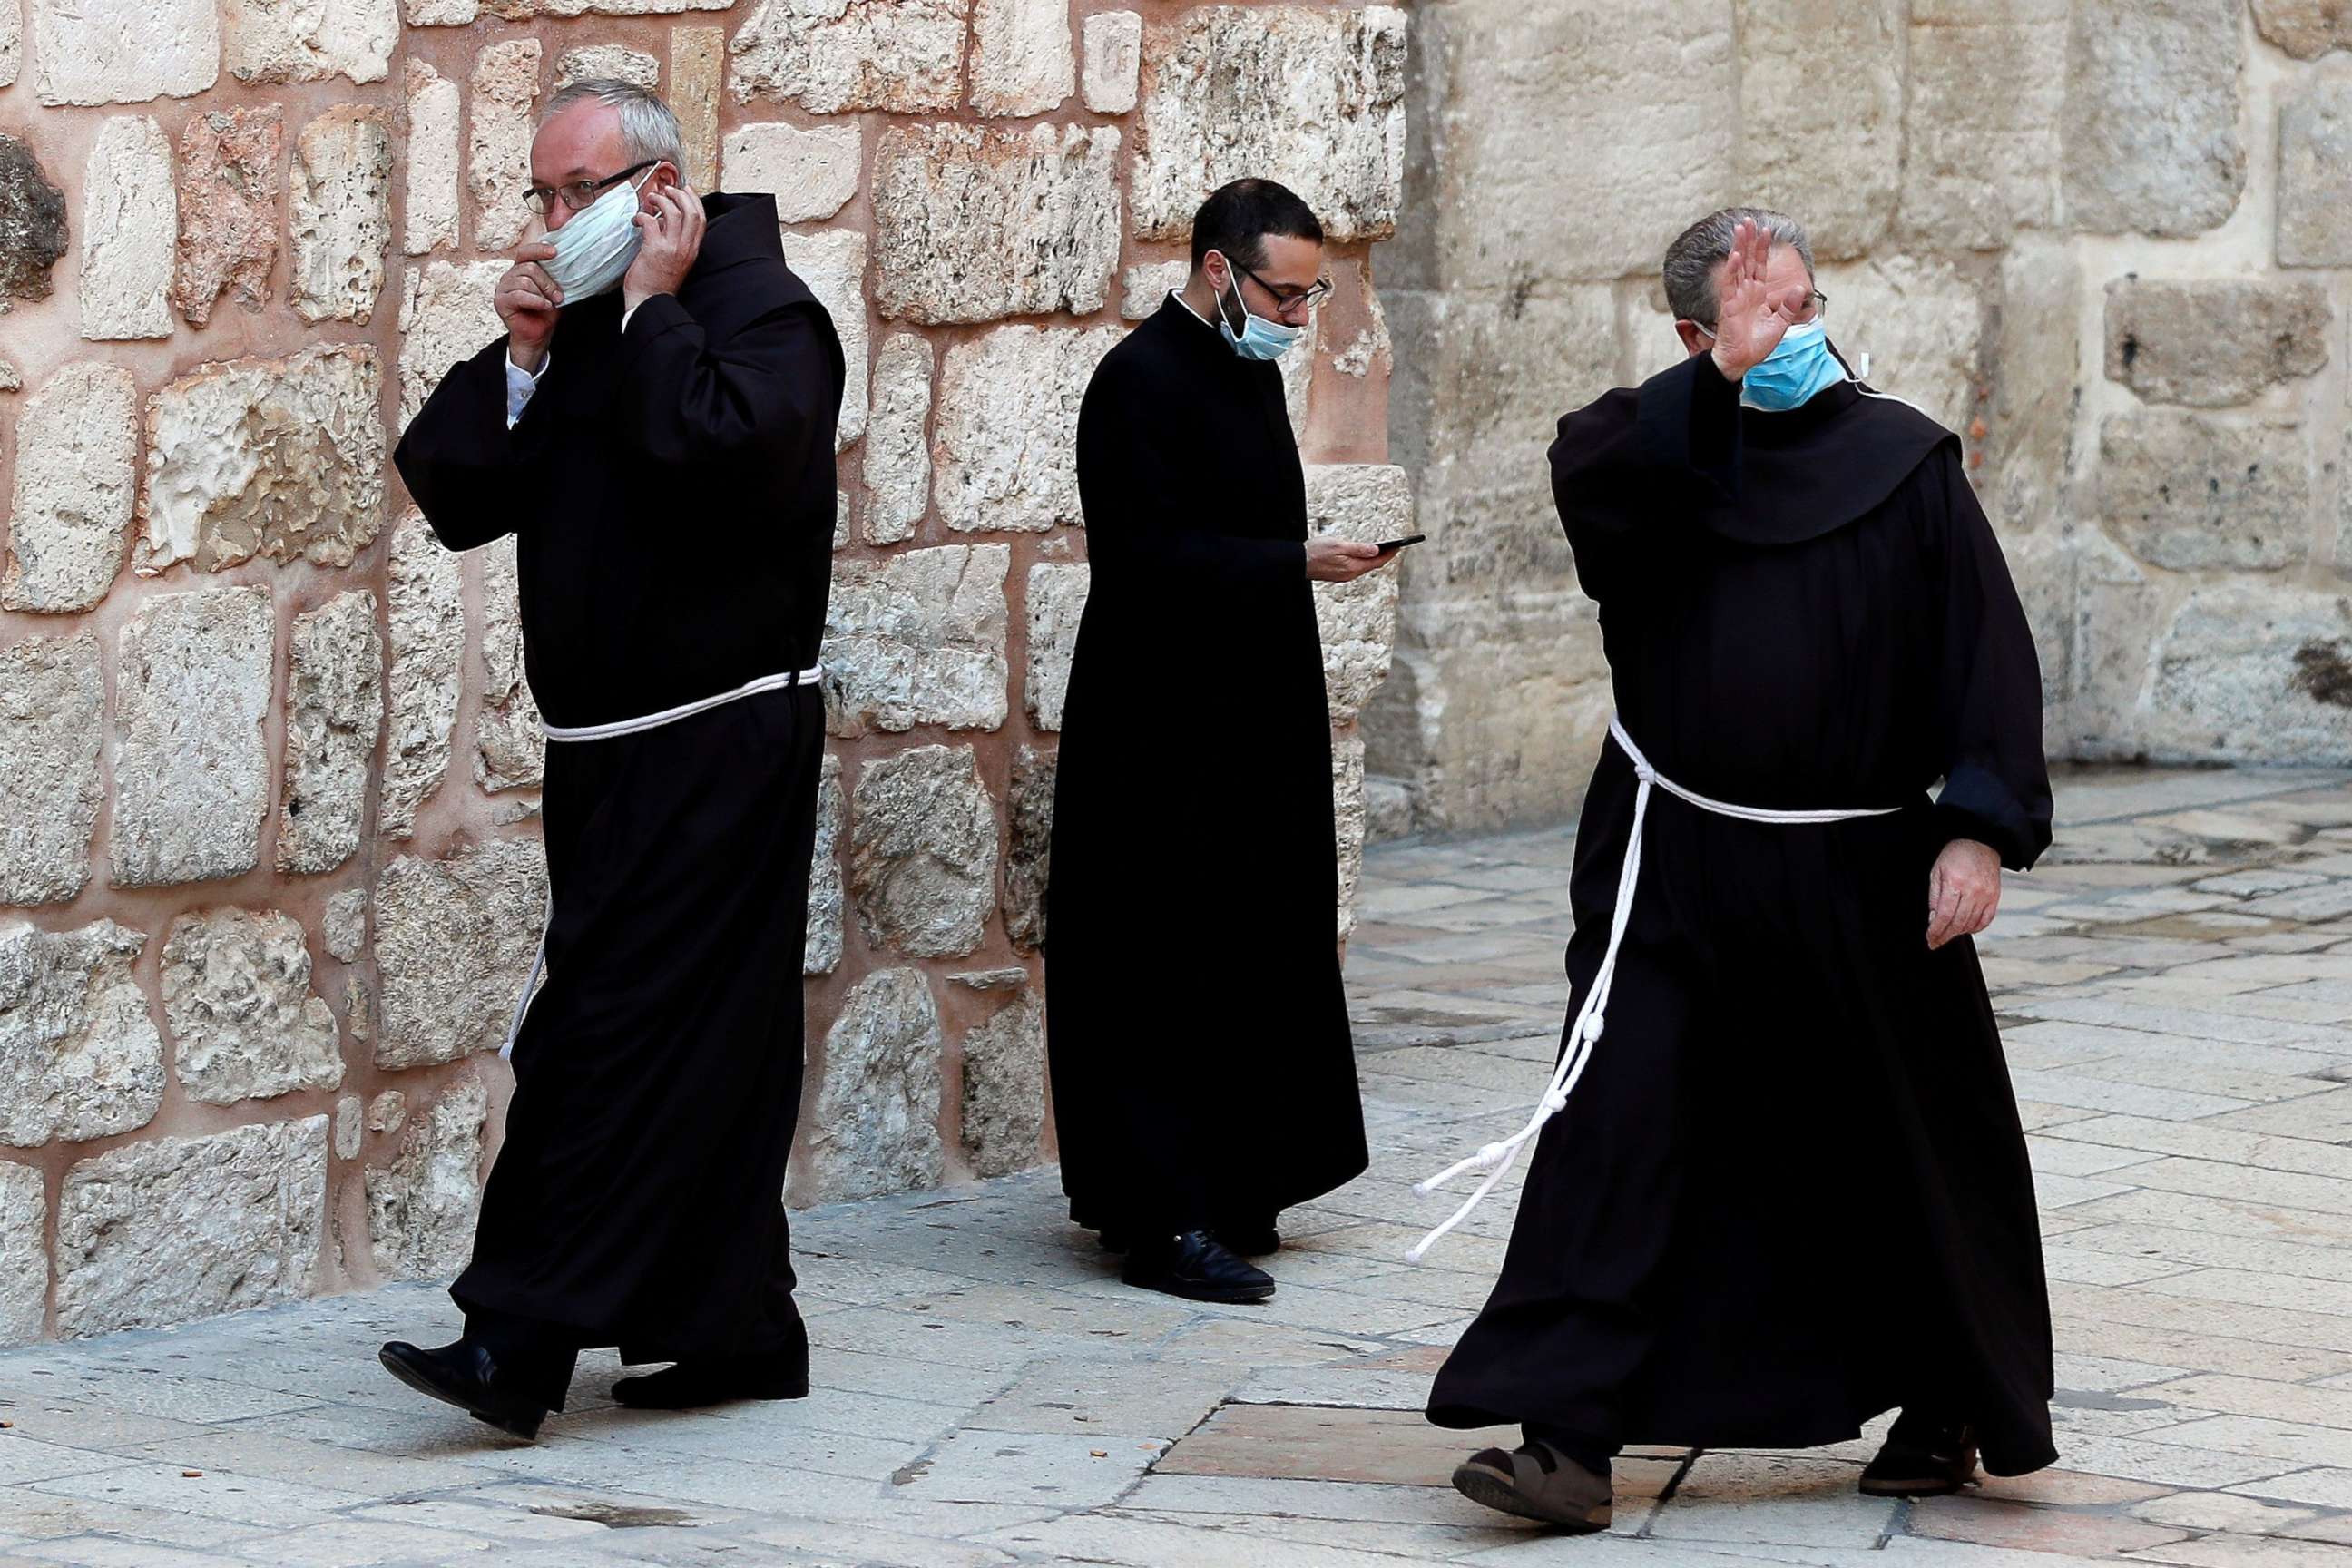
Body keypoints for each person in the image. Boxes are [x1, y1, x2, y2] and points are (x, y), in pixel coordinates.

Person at [1421, 209, 2056, 1531]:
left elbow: (1982, 648)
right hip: (1674, 858)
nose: (1795, 335)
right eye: (1764, 318)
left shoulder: (1904, 461)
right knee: (1618, 1127)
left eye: (1809, 307)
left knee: (1902, 1137)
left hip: (1857, 863)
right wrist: (1712, 388)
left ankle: (1943, 1405)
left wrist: (1977, 825)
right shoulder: (1647, 464)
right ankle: (1568, 1440)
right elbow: (1596, 481)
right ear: (1694, 337)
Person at [377, 79, 845, 1440]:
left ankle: (513, 1341)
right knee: (708, 1044)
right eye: (542, 195)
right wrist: (525, 355)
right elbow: (463, 496)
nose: (553, 217)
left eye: (577, 193)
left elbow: (719, 455)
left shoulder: (769, 317)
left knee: (600, 1037)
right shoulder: (576, 327)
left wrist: (647, 307)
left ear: (661, 193)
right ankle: (736, 1325)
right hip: (609, 755)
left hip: (720, 744)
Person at [1045, 179, 1394, 1305]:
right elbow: (1145, 558)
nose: (1298, 318)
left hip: (1250, 715)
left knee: (1247, 943)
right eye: (1283, 294)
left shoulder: (1240, 377)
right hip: (1157, 726)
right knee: (1158, 959)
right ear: (1215, 272)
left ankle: (1237, 1184)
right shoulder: (1137, 381)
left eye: (1310, 296)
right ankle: (1159, 1217)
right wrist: (1295, 563)